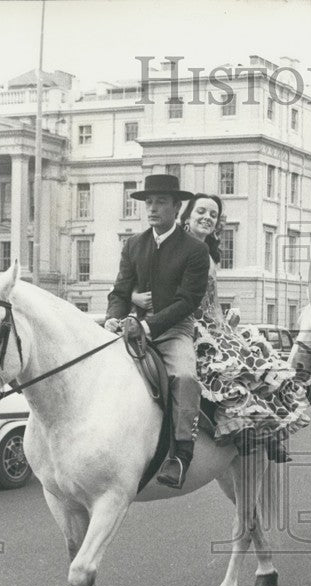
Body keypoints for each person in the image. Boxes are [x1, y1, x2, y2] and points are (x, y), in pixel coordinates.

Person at [104, 173, 209, 489]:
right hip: (133, 327)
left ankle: (180, 456)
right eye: (148, 202)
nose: (152, 208)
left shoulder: (194, 249)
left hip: (174, 329)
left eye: (160, 202)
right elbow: (120, 290)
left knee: (186, 377)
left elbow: (188, 300)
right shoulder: (134, 245)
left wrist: (150, 325)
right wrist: (113, 317)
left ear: (177, 207)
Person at [180, 193, 306, 456]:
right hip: (185, 322)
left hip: (212, 324)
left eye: (213, 215)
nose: (207, 218)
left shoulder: (209, 254)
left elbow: (212, 300)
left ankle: (264, 433)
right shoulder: (177, 248)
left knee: (256, 359)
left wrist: (225, 321)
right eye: (201, 212)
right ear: (187, 216)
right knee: (222, 365)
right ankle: (231, 427)